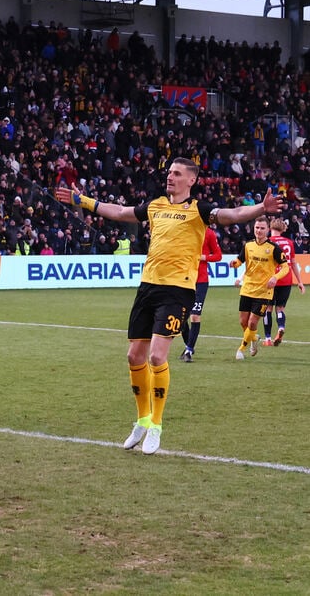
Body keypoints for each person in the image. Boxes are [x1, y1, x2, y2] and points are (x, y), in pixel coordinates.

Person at [56, 157, 281, 454]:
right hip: (148, 286)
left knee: (157, 356)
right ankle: (142, 419)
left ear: (191, 180)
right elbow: (121, 212)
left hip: (177, 291)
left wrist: (260, 209)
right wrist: (83, 200)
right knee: (134, 355)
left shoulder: (199, 210)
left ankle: (157, 426)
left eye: (177, 174)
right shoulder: (155, 205)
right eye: (169, 173)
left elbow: (232, 213)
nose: (170, 177)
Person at [230, 216, 289, 360]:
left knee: (252, 322)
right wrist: (234, 263)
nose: (259, 230)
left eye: (262, 228)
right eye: (257, 227)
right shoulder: (248, 245)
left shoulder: (273, 248)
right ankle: (254, 338)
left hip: (264, 292)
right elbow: (240, 260)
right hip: (247, 289)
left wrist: (275, 277)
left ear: (268, 230)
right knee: (243, 322)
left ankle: (241, 348)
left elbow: (285, 267)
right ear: (253, 228)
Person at [180, 225, 223, 362]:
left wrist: (203, 257)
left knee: (194, 316)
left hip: (200, 281)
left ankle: (188, 351)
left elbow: (218, 256)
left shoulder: (209, 233)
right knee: (180, 318)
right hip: (184, 279)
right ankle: (189, 345)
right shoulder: (185, 231)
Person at [261, 217, 305, 345]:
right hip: (286, 279)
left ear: (270, 228)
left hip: (271, 279)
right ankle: (281, 328)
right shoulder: (289, 242)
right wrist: (300, 282)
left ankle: (268, 339)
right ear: (283, 229)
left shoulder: (267, 242)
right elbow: (293, 263)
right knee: (280, 308)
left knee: (267, 309)